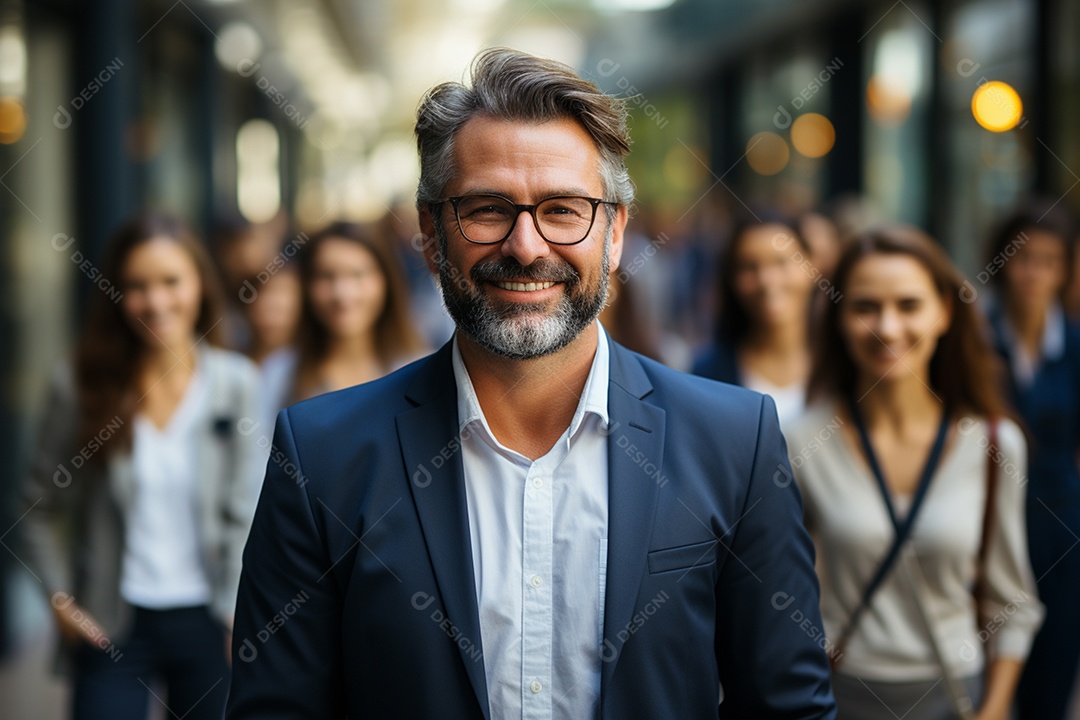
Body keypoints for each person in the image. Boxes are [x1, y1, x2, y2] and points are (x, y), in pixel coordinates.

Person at [227, 48, 836, 719]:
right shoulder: (322, 456)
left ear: (614, 233)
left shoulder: (733, 441)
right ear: (431, 232)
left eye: (563, 209)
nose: (525, 246)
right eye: (488, 209)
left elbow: (787, 707)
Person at [787, 226, 1043, 720]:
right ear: (838, 317)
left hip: (955, 696)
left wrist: (993, 710)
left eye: (909, 305)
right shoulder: (800, 442)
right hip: (838, 695)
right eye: (865, 307)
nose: (887, 327)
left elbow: (1013, 605)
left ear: (944, 311)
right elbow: (775, 597)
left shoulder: (993, 444)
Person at [21, 214, 262, 720]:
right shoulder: (79, 385)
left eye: (171, 281)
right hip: (111, 622)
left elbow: (249, 511)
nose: (156, 301)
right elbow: (36, 508)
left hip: (212, 620)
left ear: (200, 284)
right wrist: (59, 599)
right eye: (136, 286)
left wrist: (236, 611)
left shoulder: (235, 383)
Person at [982, 202, 1080, 720]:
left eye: (1049, 261)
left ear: (1065, 270)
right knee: (985, 678)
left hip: (1062, 529)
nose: (1033, 273)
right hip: (987, 523)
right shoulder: (976, 338)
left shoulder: (1076, 344)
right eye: (1022, 258)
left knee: (1054, 672)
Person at [257, 221, 426, 435]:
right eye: (326, 276)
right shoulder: (279, 375)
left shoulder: (421, 371)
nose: (342, 293)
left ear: (386, 281)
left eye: (358, 274)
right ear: (307, 286)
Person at [693, 214, 816, 427]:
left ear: (811, 266)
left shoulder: (844, 363)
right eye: (750, 267)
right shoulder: (708, 374)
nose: (767, 280)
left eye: (781, 262)